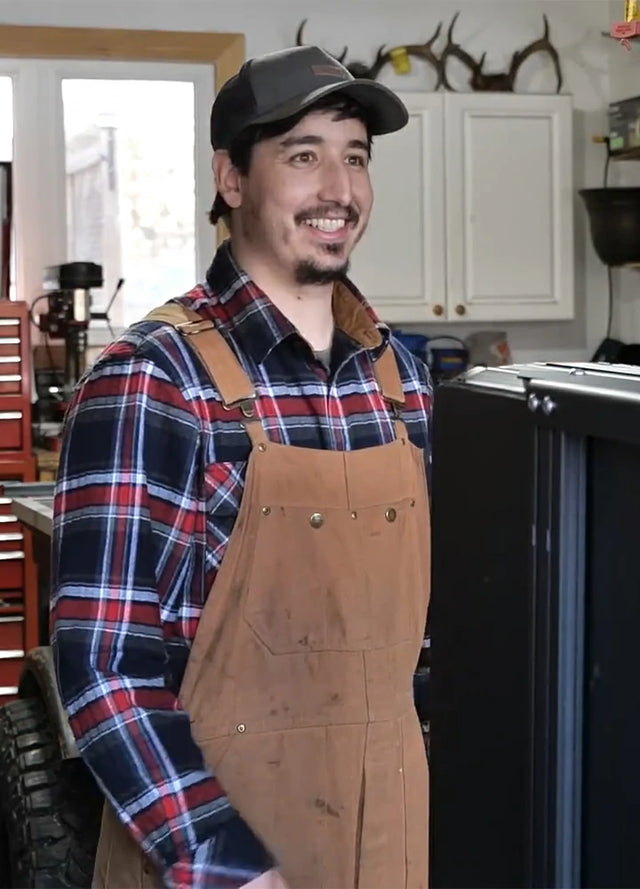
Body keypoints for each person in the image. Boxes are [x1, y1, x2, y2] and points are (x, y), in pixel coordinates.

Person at [51, 44, 433, 889]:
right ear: (231, 179)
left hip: (390, 854)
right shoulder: (153, 379)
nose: (339, 188)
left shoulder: (400, 381)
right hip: (214, 865)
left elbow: (414, 653)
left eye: (355, 156)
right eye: (304, 156)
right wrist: (230, 868)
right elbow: (102, 668)